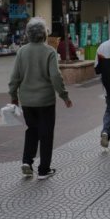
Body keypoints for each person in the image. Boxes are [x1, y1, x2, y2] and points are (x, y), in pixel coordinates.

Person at [9, 18, 72, 179]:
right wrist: (64, 95)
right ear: (44, 33)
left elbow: (15, 77)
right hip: (46, 101)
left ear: (28, 34)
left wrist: (13, 96)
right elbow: (55, 76)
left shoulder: (22, 51)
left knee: (32, 130)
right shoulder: (49, 51)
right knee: (46, 134)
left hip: (27, 100)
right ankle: (44, 169)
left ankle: (27, 161)